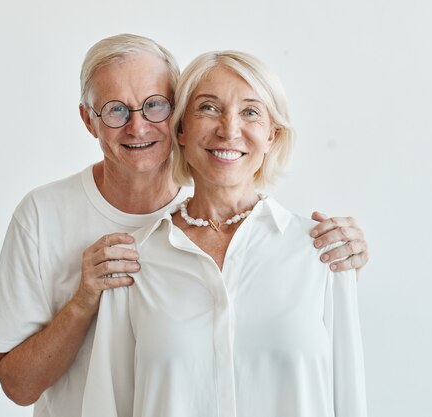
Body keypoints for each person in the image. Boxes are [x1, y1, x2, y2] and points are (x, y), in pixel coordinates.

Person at [0, 34, 369, 417]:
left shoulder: (307, 245)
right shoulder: (80, 233)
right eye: (116, 110)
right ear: (88, 120)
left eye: (154, 106)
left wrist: (344, 258)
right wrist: (83, 300)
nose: (137, 127)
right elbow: (21, 386)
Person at [82, 50, 366, 417]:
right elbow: (107, 404)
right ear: (180, 129)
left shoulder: (323, 251)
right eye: (209, 108)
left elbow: (348, 396)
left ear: (272, 135)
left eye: (251, 112)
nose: (229, 130)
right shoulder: (133, 259)